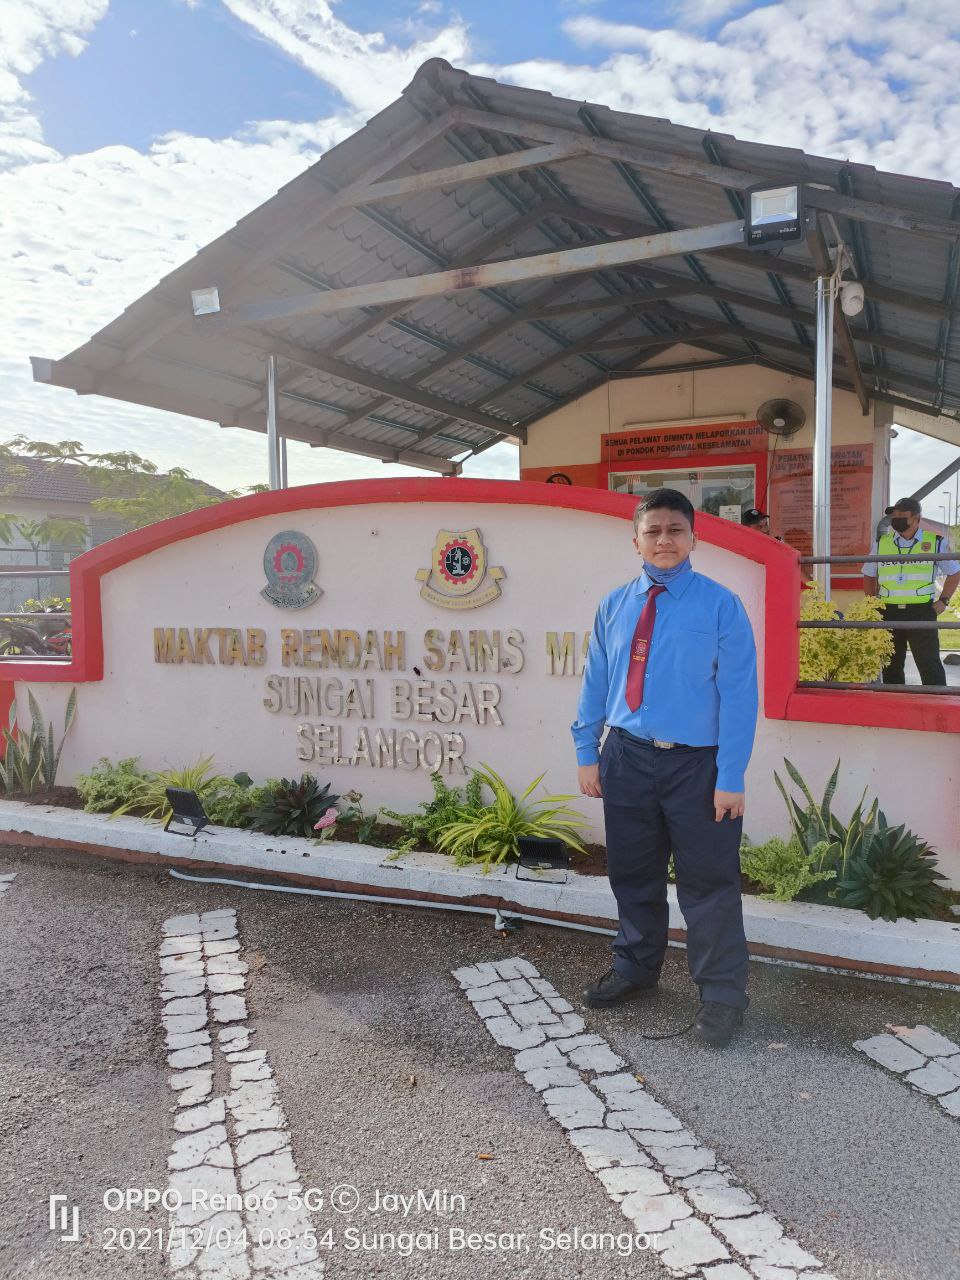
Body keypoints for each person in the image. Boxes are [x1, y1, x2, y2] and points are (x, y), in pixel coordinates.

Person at [572, 488, 758, 1048]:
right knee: (632, 873)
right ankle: (635, 966)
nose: (664, 540)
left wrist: (731, 777)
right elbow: (596, 682)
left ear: (694, 538)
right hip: (626, 756)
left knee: (709, 883)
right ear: (636, 541)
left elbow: (740, 697)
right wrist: (587, 751)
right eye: (652, 531)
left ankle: (722, 995)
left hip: (697, 767)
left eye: (675, 530)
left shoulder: (721, 605)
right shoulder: (614, 605)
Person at [862, 496, 959, 687]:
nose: (896, 518)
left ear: (916, 518)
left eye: (902, 515)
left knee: (929, 664)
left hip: (921, 612)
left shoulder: (935, 542)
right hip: (888, 611)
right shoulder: (882, 543)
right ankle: (895, 701)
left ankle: (936, 703)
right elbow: (868, 574)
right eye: (894, 515)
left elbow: (954, 572)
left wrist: (943, 601)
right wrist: (872, 605)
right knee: (891, 665)